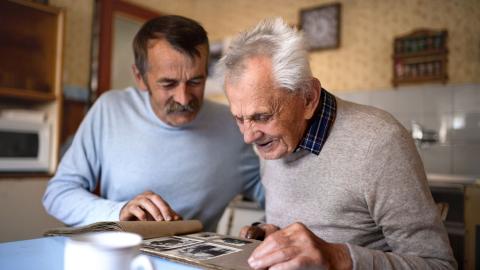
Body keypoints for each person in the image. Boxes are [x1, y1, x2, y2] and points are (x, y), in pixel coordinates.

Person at [218, 18, 456, 269]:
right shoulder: (271, 140)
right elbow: (305, 219)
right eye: (239, 119)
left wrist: (339, 257)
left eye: (263, 116)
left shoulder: (379, 143)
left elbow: (439, 265)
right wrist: (268, 231)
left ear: (308, 98)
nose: (248, 136)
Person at [43, 15, 264, 232]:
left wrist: (266, 228)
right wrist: (119, 212)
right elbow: (58, 194)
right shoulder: (110, 110)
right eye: (168, 84)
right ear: (139, 77)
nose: (183, 98)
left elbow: (273, 194)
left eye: (195, 81)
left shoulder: (233, 125)